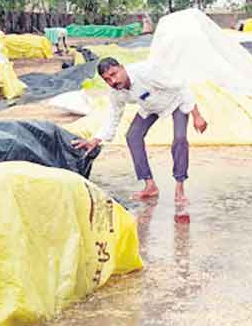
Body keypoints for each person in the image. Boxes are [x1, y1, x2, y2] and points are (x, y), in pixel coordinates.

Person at [73, 57, 209, 219]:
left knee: (179, 139)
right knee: (133, 136)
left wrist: (197, 116)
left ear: (122, 68)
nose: (113, 81)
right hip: (150, 106)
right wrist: (95, 140)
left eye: (114, 74)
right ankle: (150, 185)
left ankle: (180, 186)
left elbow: (181, 87)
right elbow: (113, 118)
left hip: (176, 102)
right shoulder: (117, 93)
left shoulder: (146, 72)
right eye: (107, 79)